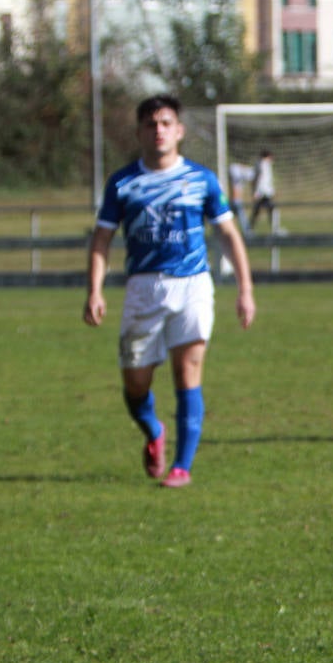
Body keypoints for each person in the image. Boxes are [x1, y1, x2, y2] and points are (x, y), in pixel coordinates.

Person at [83, 94, 256, 488]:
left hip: (193, 285)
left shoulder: (202, 179)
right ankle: (154, 431)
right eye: (150, 124)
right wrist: (95, 291)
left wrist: (245, 289)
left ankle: (182, 466)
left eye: (165, 123)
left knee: (188, 371)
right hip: (143, 290)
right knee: (135, 383)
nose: (158, 130)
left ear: (179, 130)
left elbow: (228, 233)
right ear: (140, 132)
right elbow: (101, 240)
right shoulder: (123, 183)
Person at [250, 149, 276, 230]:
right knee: (271, 209)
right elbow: (260, 179)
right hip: (263, 192)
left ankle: (250, 229)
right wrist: (257, 192)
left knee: (258, 211)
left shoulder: (263, 164)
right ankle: (275, 229)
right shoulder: (263, 165)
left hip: (264, 192)